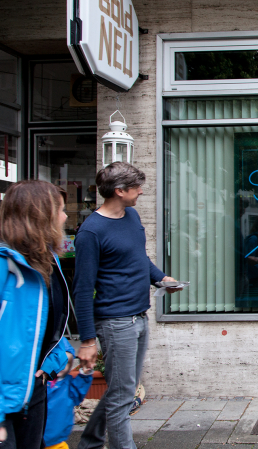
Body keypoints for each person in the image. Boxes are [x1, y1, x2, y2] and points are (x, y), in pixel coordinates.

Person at [73, 162, 181, 449]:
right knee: (123, 396)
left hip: (140, 316)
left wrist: (161, 279)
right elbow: (82, 290)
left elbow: (138, 259)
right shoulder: (91, 232)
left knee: (120, 391)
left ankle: (89, 443)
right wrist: (86, 340)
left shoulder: (131, 216)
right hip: (115, 322)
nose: (141, 192)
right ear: (119, 191)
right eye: (136, 188)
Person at [0, 180, 71, 448]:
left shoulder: (44, 261)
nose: (66, 217)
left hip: (33, 390)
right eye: (61, 210)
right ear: (41, 215)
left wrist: (59, 355)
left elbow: (46, 322)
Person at [43, 337, 93, 449]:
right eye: (59, 363)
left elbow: (78, 393)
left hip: (58, 441)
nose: (61, 368)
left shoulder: (67, 383)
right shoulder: (40, 383)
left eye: (66, 363)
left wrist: (85, 374)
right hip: (37, 439)